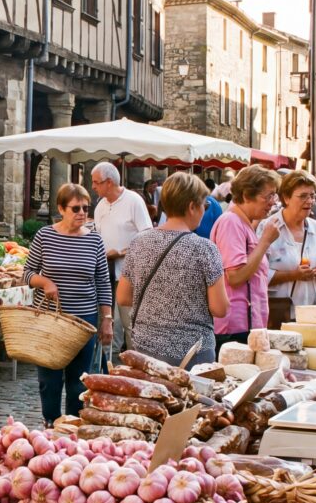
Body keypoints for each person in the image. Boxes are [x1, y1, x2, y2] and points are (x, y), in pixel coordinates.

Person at [118, 173, 229, 368]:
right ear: (192, 207)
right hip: (192, 354)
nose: (205, 210)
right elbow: (220, 308)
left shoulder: (138, 243)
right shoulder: (204, 249)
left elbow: (123, 297)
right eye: (205, 205)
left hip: (145, 351)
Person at [24, 184, 113, 425]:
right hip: (51, 321)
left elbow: (103, 283)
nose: (82, 212)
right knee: (49, 379)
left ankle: (72, 426)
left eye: (86, 207)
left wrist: (107, 320)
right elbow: (27, 273)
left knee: (79, 380)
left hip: (84, 321)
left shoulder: (95, 240)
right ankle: (51, 422)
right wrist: (44, 281)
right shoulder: (45, 236)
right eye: (76, 208)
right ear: (61, 209)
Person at [210, 165, 281, 346]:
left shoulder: (243, 222)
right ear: (246, 195)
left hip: (247, 326)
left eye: (274, 195)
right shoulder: (231, 222)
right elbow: (235, 277)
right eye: (267, 196)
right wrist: (265, 242)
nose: (272, 202)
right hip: (235, 329)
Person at [92, 162, 152, 356]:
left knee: (129, 323)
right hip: (104, 274)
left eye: (96, 182)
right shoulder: (100, 205)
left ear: (109, 182)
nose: (93, 186)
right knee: (108, 322)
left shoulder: (133, 200)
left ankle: (134, 365)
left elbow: (147, 236)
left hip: (129, 274)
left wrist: (119, 252)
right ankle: (107, 368)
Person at [258, 171, 316, 318]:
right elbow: (257, 274)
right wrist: (293, 275)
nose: (310, 201)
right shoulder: (268, 227)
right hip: (280, 313)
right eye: (303, 196)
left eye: (312, 196)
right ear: (286, 198)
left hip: (314, 314)